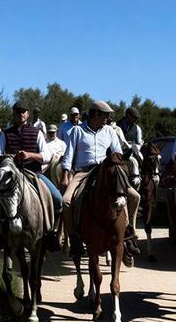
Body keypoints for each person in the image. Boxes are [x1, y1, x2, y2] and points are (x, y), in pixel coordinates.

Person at [60, 100, 140, 256]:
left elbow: (117, 153)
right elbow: (69, 154)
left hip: (106, 171)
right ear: (96, 114)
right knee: (66, 201)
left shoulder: (109, 131)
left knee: (135, 196)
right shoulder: (77, 131)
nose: (108, 118)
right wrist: (65, 175)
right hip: (83, 172)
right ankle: (74, 237)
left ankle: (128, 233)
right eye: (106, 115)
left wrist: (120, 165)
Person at [0, 102, 62, 251]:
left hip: (33, 173)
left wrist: (30, 155)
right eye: (17, 111)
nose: (20, 114)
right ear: (14, 114)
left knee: (58, 199)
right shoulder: (6, 134)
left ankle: (50, 233)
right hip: (10, 175)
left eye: (23, 111)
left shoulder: (37, 132)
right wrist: (6, 157)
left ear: (27, 114)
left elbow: (47, 156)